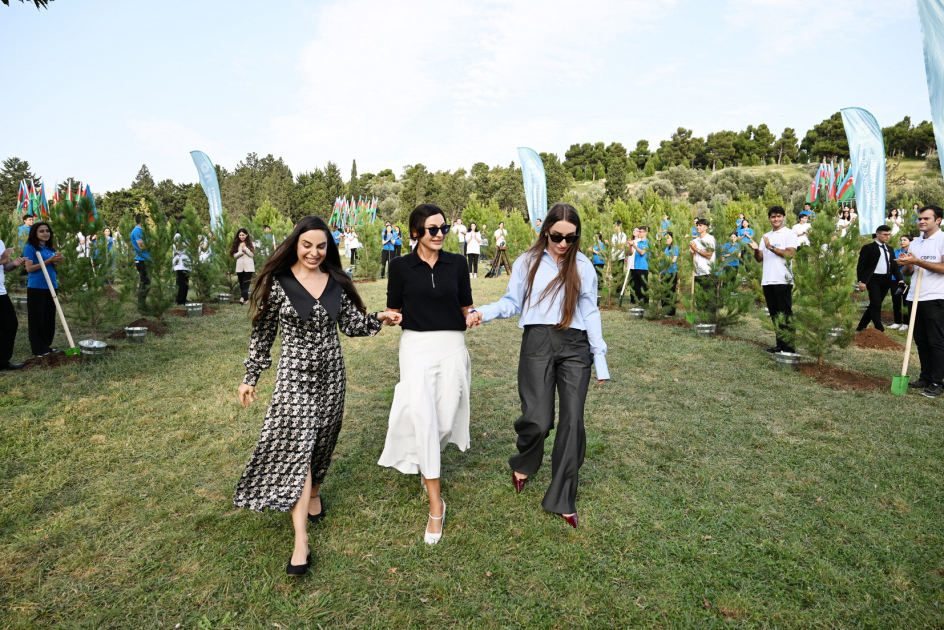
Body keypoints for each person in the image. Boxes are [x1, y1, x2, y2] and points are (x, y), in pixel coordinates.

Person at [236, 216, 401, 575]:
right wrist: (251, 377)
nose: (314, 252)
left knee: (323, 443)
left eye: (321, 246)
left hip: (332, 378)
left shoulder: (337, 282)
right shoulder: (279, 284)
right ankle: (301, 541)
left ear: (329, 248)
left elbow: (352, 325)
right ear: (296, 244)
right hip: (294, 379)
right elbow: (263, 334)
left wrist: (379, 318)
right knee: (298, 448)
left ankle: (313, 493)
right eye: (307, 245)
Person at [467, 203, 609, 529]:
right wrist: (482, 312)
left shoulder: (584, 266)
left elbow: (590, 312)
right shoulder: (527, 262)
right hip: (538, 342)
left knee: (573, 422)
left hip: (575, 347)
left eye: (570, 238)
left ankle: (562, 496)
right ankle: (525, 461)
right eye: (557, 236)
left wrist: (599, 358)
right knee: (538, 419)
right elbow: (511, 303)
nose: (563, 243)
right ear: (546, 230)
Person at [379, 204, 474, 545]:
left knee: (445, 422)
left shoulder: (458, 264)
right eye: (432, 229)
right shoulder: (400, 266)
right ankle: (436, 506)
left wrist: (473, 315)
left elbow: (466, 305)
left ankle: (425, 457)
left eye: (444, 229)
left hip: (451, 345)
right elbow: (394, 307)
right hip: (415, 347)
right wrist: (389, 317)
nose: (440, 234)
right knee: (424, 418)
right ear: (416, 232)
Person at [897, 205, 944, 398]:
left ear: (938, 220)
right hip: (914, 297)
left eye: (926, 218)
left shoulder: (942, 239)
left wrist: (917, 262)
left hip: (936, 297)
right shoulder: (915, 243)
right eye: (919, 219)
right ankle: (925, 377)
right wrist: (906, 264)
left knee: (936, 342)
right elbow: (909, 273)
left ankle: (937, 381)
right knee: (921, 341)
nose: (921, 222)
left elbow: (942, 267)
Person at [748, 206, 798, 353]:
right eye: (773, 216)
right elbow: (759, 259)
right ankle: (780, 345)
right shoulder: (766, 236)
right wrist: (757, 250)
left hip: (783, 279)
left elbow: (790, 254)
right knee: (775, 315)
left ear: (783, 217)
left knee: (785, 314)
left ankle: (789, 348)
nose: (776, 219)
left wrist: (771, 248)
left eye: (778, 216)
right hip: (768, 280)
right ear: (769, 218)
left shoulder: (789, 233)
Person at [22, 222, 64, 356]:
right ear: (35, 233)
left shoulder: (49, 248)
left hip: (51, 286)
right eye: (41, 231)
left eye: (47, 231)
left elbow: (52, 265)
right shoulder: (30, 247)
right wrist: (48, 261)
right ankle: (38, 349)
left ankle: (46, 346)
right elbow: (29, 269)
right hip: (37, 287)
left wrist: (56, 261)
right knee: (37, 318)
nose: (45, 233)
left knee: (49, 317)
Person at [856, 225, 905, 333]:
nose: (887, 237)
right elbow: (861, 265)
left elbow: (894, 266)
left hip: (886, 279)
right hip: (873, 279)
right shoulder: (868, 248)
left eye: (889, 235)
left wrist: (900, 279)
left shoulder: (890, 249)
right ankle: (879, 329)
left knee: (874, 304)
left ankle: (861, 326)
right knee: (876, 304)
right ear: (877, 234)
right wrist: (861, 281)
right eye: (885, 235)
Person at [0, 241, 27, 369]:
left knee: (10, 324)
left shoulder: (0, 242)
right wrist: (3, 259)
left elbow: (5, 266)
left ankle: (3, 361)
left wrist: (13, 264)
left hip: (1, 291)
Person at [689, 218, 716, 310]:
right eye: (697, 225)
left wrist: (696, 249)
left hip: (707, 271)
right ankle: (702, 318)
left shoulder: (710, 239)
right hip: (697, 272)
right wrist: (692, 251)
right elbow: (692, 256)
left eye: (700, 225)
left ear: (706, 227)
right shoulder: (695, 241)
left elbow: (709, 255)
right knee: (699, 297)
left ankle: (710, 320)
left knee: (708, 297)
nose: (698, 227)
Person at [891, 234, 913, 330]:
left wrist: (901, 262)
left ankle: (906, 323)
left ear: (910, 242)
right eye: (901, 240)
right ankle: (897, 322)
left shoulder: (912, 253)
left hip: (907, 280)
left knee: (906, 302)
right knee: (896, 300)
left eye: (905, 240)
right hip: (895, 279)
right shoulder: (896, 252)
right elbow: (893, 264)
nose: (902, 241)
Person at [130, 214, 150, 311]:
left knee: (147, 282)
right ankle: (141, 306)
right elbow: (141, 246)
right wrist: (154, 243)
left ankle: (143, 304)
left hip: (146, 259)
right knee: (144, 283)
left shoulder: (142, 231)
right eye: (146, 221)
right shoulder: (137, 231)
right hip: (142, 260)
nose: (148, 222)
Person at [231, 228, 256, 305]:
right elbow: (234, 255)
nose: (241, 236)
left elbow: (252, 254)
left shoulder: (252, 244)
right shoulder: (236, 244)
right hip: (240, 267)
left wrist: (245, 248)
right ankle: (246, 299)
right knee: (241, 283)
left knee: (246, 283)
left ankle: (242, 298)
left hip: (249, 267)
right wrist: (241, 251)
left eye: (243, 235)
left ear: (246, 235)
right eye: (240, 235)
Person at [628, 225, 649, 304]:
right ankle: (638, 302)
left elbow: (642, 252)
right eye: (639, 231)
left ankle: (645, 303)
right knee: (636, 287)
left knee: (644, 286)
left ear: (646, 233)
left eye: (641, 231)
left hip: (643, 267)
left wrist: (634, 246)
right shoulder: (637, 242)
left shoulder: (648, 242)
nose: (639, 233)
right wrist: (631, 246)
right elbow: (630, 253)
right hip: (635, 266)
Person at [172, 227, 191, 306]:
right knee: (181, 283)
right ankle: (179, 301)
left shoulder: (185, 237)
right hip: (180, 263)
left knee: (185, 283)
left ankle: (184, 299)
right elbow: (178, 247)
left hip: (186, 263)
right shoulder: (178, 235)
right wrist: (188, 244)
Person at [663, 232, 680, 316]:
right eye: (665, 238)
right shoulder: (664, 248)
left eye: (669, 238)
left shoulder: (675, 248)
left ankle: (671, 312)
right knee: (664, 292)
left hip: (671, 272)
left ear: (672, 238)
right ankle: (664, 310)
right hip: (663, 272)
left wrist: (663, 255)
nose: (667, 240)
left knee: (671, 292)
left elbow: (673, 260)